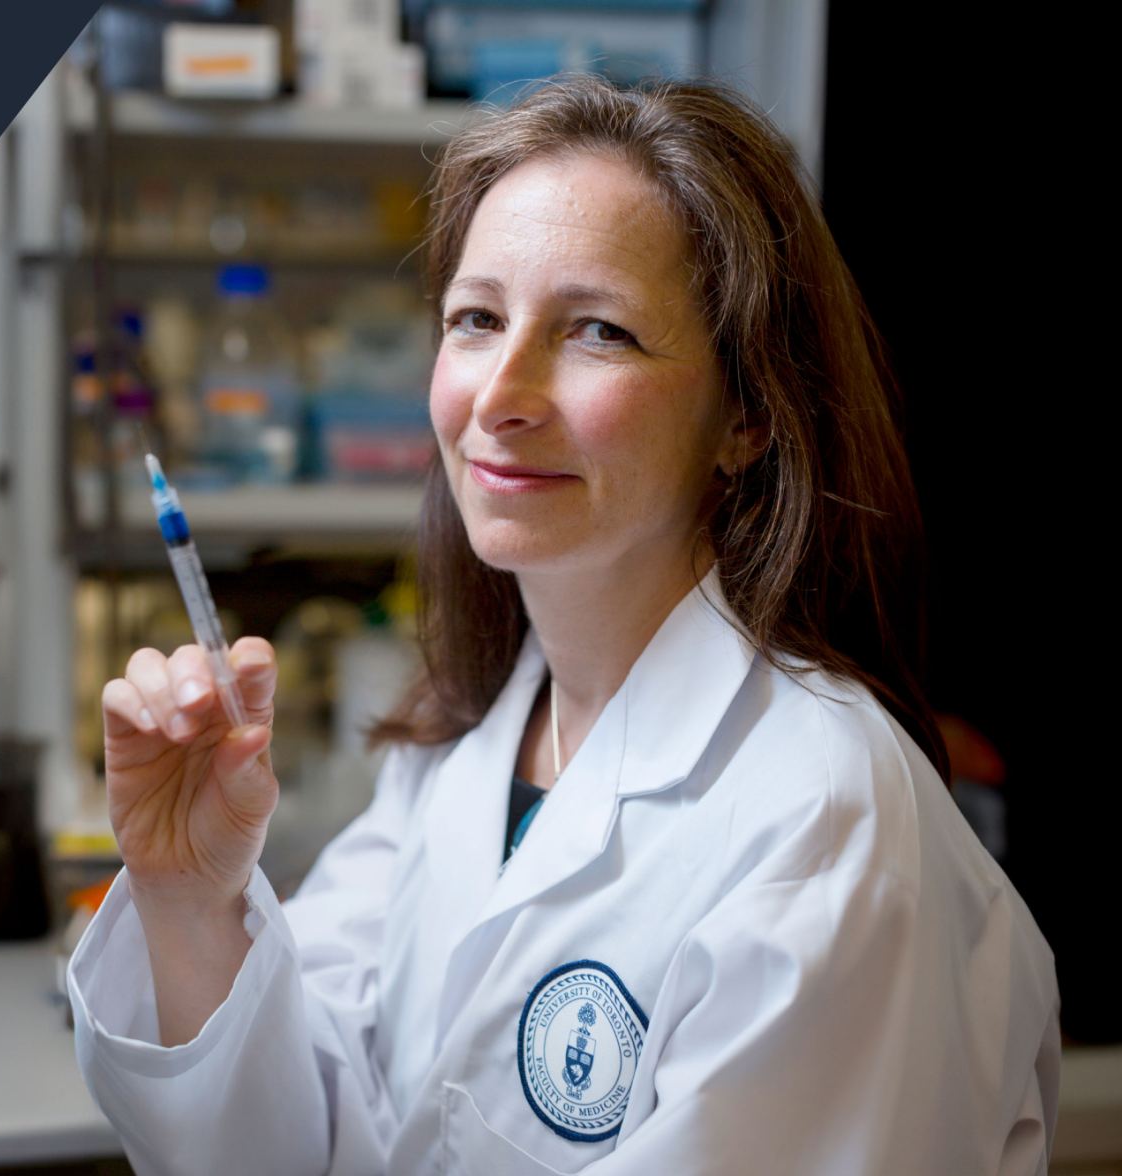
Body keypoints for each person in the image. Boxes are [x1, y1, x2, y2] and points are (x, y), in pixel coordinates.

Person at [65, 75, 1059, 1176]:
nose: (499, 393)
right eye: (476, 319)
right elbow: (285, 1144)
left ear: (745, 416)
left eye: (596, 330)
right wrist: (189, 897)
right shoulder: (463, 746)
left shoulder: (819, 823)